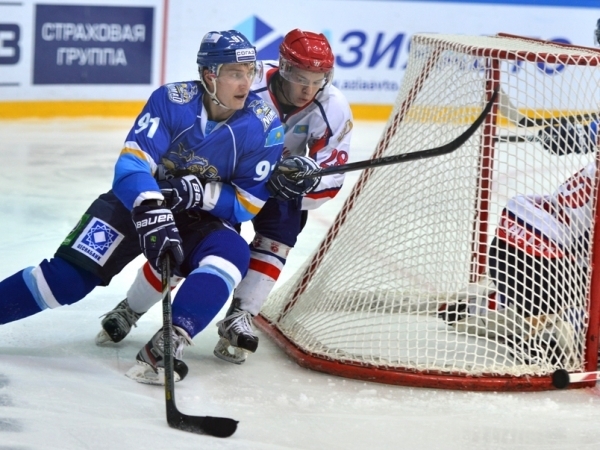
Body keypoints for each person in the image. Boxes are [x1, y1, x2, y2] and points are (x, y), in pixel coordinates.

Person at [0, 29, 285, 384]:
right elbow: (130, 166)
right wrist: (152, 208)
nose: (246, 83)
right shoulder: (172, 101)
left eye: (250, 72)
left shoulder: (264, 125)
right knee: (65, 281)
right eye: (235, 73)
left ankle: (172, 339)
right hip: (137, 203)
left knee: (231, 254)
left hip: (200, 219)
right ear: (209, 75)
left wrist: (197, 194)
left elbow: (245, 203)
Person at [95, 28, 354, 365]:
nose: (308, 88)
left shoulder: (334, 107)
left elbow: (332, 177)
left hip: (279, 185)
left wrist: (304, 182)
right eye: (300, 78)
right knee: (193, 244)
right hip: (228, 178)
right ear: (283, 68)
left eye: (318, 80)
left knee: (283, 228)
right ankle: (132, 308)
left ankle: (241, 314)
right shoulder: (247, 80)